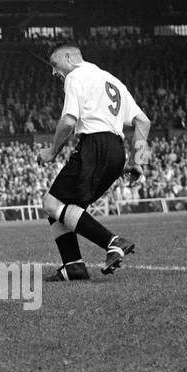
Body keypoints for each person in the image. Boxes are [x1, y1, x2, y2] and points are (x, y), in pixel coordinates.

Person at [38, 44, 151, 281]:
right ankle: (74, 266)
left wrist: (51, 152)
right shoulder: (112, 80)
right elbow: (143, 121)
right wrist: (139, 161)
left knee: (51, 203)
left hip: (94, 146)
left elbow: (68, 122)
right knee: (61, 207)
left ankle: (113, 242)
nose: (54, 73)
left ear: (69, 58)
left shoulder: (75, 76)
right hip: (116, 153)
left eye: (55, 65)